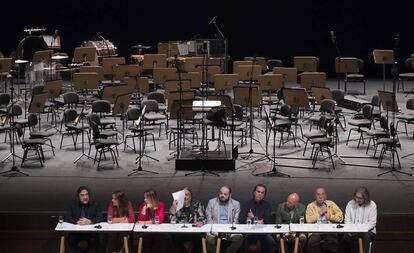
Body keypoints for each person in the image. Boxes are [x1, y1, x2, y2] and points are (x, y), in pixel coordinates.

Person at [206, 185, 243, 253]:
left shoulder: (236, 204)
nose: (222, 195)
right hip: (215, 230)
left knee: (239, 238)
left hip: (229, 230)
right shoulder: (211, 202)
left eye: (225, 194)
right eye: (221, 193)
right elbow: (209, 221)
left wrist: (227, 232)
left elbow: (235, 222)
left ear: (230, 195)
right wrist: (217, 232)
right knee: (209, 240)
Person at [340, 186, 377, 253]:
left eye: (359, 198)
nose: (357, 199)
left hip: (367, 231)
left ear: (365, 198)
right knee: (345, 237)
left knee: (367, 236)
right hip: (353, 230)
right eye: (356, 197)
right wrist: (352, 230)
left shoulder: (372, 205)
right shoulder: (350, 203)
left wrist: (361, 230)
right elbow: (347, 220)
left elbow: (372, 223)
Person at [241, 184, 277, 253]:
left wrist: (253, 218)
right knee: (243, 244)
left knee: (272, 244)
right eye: (258, 191)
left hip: (263, 232)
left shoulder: (267, 205)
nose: (260, 194)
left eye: (262, 193)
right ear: (254, 192)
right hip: (249, 231)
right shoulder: (247, 204)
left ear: (264, 195)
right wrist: (252, 220)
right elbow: (241, 218)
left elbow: (267, 218)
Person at [306, 187, 343, 253]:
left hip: (329, 231)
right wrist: (319, 213)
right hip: (315, 232)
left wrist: (330, 217)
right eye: (318, 194)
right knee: (313, 243)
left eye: (322, 194)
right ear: (315, 196)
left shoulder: (331, 204)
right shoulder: (310, 206)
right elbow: (308, 219)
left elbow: (340, 217)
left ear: (325, 196)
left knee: (332, 242)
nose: (320, 197)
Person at [170, 187, 206, 253]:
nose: (185, 197)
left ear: (191, 196)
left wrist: (201, 222)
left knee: (199, 238)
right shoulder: (176, 204)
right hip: (180, 232)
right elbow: (172, 221)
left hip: (193, 231)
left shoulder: (196, 203)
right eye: (183, 195)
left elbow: (202, 217)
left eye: (187, 195)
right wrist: (174, 209)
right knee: (172, 237)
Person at [67, 186, 103, 253]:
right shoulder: (72, 204)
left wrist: (90, 221)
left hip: (91, 232)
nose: (85, 197)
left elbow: (100, 217)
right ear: (78, 196)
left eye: (87, 195)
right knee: (71, 241)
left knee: (94, 243)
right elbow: (68, 217)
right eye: (82, 195)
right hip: (75, 232)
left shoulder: (96, 204)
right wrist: (77, 221)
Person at [137, 189, 165, 253]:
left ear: (152, 198)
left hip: (158, 230)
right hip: (146, 230)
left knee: (161, 238)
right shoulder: (143, 206)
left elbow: (159, 220)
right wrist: (144, 209)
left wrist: (153, 209)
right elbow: (140, 220)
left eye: (146, 198)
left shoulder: (160, 205)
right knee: (147, 238)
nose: (144, 199)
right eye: (144, 198)